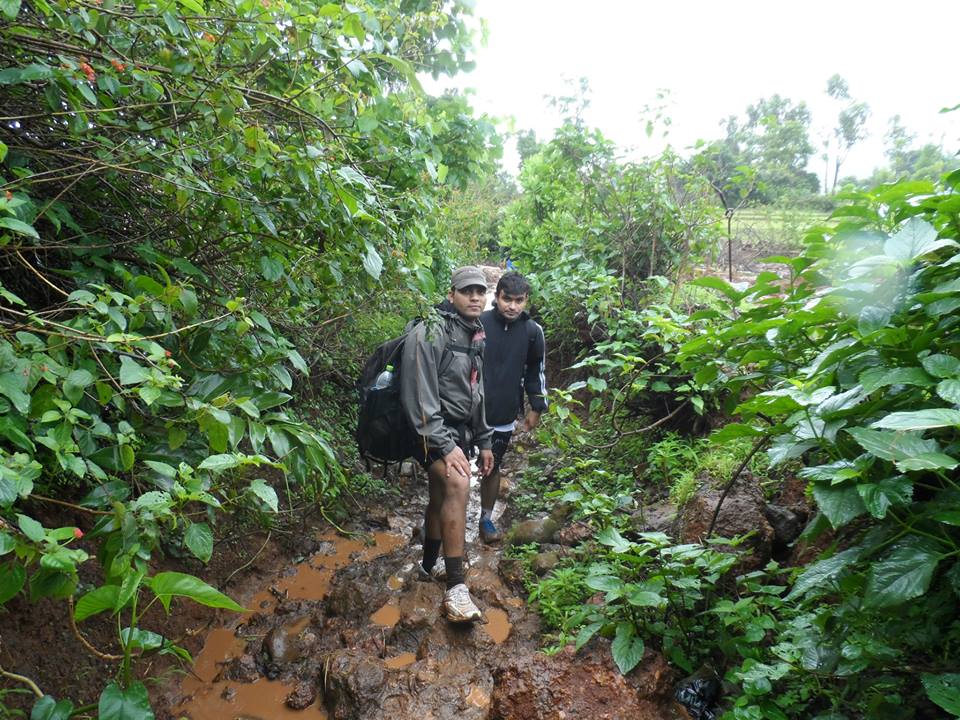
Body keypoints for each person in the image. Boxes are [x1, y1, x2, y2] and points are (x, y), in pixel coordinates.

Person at [400, 266, 494, 623]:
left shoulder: (475, 332)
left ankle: (427, 566)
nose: (475, 297)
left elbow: (476, 390)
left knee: (441, 493)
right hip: (427, 430)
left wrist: (484, 440)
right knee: (458, 482)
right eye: (467, 291)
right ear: (451, 294)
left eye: (480, 291)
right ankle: (456, 588)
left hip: (457, 431)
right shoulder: (430, 331)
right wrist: (444, 444)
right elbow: (418, 394)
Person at [477, 271, 548, 543]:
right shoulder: (478, 323)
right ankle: (442, 519)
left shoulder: (532, 332)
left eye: (519, 301)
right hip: (468, 412)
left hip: (503, 414)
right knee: (454, 468)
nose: (513, 306)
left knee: (492, 466)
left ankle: (486, 519)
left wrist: (536, 406)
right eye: (507, 299)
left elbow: (536, 371)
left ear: (526, 300)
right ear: (497, 297)